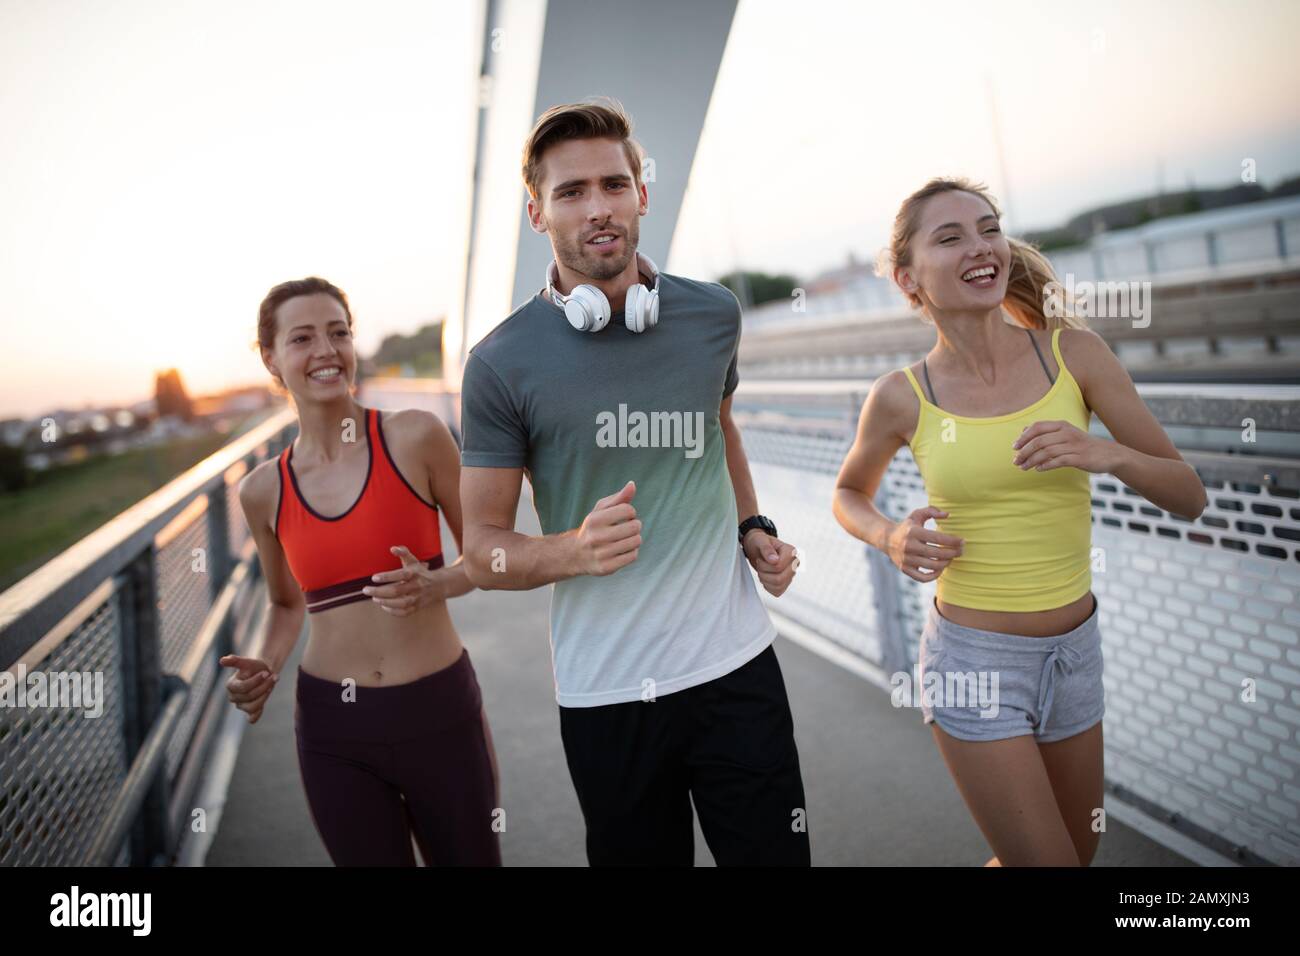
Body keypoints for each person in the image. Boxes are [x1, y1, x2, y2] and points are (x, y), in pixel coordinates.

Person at [457, 99, 809, 866]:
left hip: (737, 669)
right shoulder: (498, 365)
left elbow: (718, 429)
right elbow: (481, 549)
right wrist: (571, 553)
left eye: (614, 185)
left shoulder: (713, 314)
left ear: (642, 193)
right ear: (536, 213)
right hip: (608, 695)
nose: (598, 209)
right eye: (571, 192)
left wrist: (754, 528)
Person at [832, 178, 1207, 866]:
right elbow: (849, 493)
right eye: (950, 237)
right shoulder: (900, 397)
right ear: (908, 280)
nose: (980, 247)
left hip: (1074, 655)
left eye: (988, 227)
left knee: (1077, 850)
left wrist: (1108, 453)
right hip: (972, 665)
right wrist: (889, 535)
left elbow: (1189, 497)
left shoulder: (1075, 354)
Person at [220, 276, 501, 866]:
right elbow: (286, 603)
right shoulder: (261, 489)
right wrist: (265, 666)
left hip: (438, 712)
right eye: (302, 338)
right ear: (271, 358)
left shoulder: (416, 436)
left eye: (338, 333)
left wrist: (438, 583)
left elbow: (487, 552)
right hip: (332, 732)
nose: (326, 350)